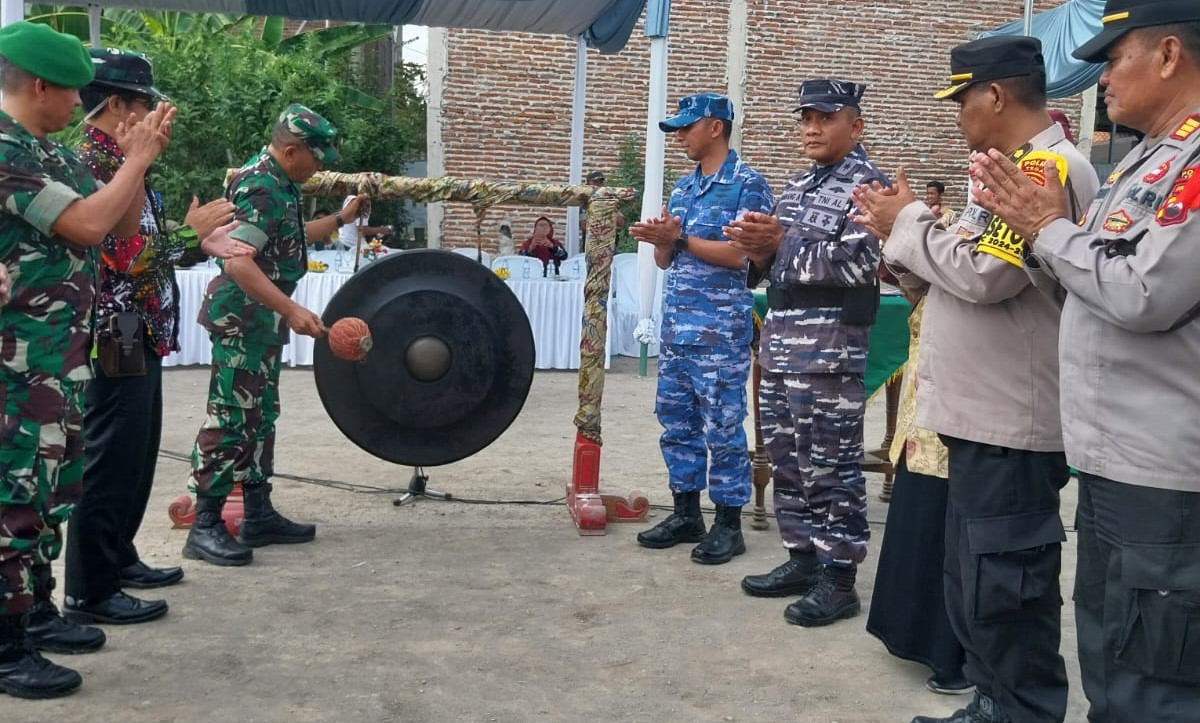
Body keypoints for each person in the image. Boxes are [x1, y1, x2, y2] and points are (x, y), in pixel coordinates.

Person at [853, 36, 1099, 723]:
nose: (958, 111)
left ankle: (1019, 709)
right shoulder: (1005, 168)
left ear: (995, 95)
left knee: (1008, 590)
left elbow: (983, 278)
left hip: (1012, 422)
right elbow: (956, 265)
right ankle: (992, 702)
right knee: (975, 586)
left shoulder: (1046, 169)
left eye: (963, 97)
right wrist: (902, 241)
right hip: (976, 415)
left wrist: (905, 223)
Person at [967, 4, 1200, 720]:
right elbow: (1089, 279)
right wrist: (1042, 241)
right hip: (1111, 459)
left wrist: (1046, 228)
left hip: (1160, 471)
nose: (1101, 78)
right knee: (1109, 653)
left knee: (1154, 677)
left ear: (1167, 55)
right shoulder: (1141, 159)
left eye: (1113, 57)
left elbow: (1142, 292)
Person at [0, 21, 174, 698]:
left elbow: (121, 231)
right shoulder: (8, 152)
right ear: (40, 84)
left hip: (63, 360)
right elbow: (84, 226)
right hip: (17, 366)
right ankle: (7, 645)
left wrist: (139, 162)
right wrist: (131, 165)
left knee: (50, 493)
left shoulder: (57, 156)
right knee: (13, 497)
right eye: (73, 90)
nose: (82, 104)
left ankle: (37, 612)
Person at [61, 48, 254, 627]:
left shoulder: (122, 160)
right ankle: (89, 587)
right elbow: (121, 258)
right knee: (110, 455)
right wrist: (188, 238)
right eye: (145, 103)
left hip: (136, 328)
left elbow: (142, 251)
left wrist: (194, 243)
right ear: (115, 103)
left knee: (136, 453)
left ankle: (117, 558)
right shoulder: (94, 163)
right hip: (114, 328)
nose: (154, 115)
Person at [725, 80, 886, 626]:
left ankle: (839, 580)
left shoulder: (870, 187)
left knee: (831, 467)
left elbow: (859, 264)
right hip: (782, 345)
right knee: (789, 462)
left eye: (825, 117)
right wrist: (754, 247)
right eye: (805, 118)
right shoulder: (793, 185)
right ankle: (801, 559)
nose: (811, 128)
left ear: (855, 125)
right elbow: (768, 263)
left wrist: (779, 244)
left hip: (828, 352)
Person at [185, 104, 368, 566]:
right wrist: (292, 309)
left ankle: (258, 512)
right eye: (316, 156)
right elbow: (238, 260)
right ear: (291, 150)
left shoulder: (278, 183)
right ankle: (205, 523)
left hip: (260, 323)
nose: (320, 165)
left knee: (260, 417)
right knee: (230, 417)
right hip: (242, 320)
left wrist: (341, 219)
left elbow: (286, 236)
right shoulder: (260, 185)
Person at [629, 93, 773, 565]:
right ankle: (686, 513)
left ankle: (728, 525)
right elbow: (667, 259)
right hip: (679, 332)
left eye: (687, 128)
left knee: (723, 427)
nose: (681, 138)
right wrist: (662, 241)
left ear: (715, 127)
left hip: (719, 333)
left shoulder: (746, 185)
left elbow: (742, 258)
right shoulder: (683, 189)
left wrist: (681, 239)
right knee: (677, 425)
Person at [865, 287, 971, 697]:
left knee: (949, 526)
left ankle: (953, 653)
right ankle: (916, 638)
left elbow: (980, 278)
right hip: (930, 383)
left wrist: (916, 236)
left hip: (969, 395)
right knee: (920, 515)